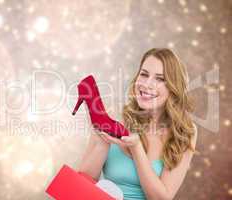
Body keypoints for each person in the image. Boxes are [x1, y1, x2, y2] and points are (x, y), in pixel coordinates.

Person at [77, 48, 198, 200]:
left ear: (173, 88)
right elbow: (79, 188)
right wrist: (102, 143)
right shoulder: (114, 118)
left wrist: (136, 147)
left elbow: (161, 198)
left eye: (160, 79)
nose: (147, 84)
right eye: (144, 74)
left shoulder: (184, 131)